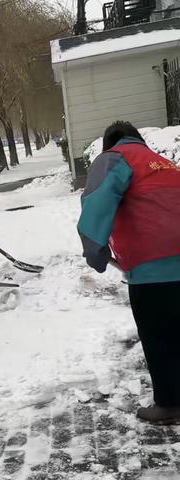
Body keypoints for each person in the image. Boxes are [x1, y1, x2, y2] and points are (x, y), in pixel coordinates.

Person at [78, 120, 180, 424]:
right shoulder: (165, 164)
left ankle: (170, 404)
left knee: (158, 336)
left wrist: (95, 252)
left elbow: (96, 201)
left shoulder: (116, 158)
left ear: (111, 143)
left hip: (152, 269)